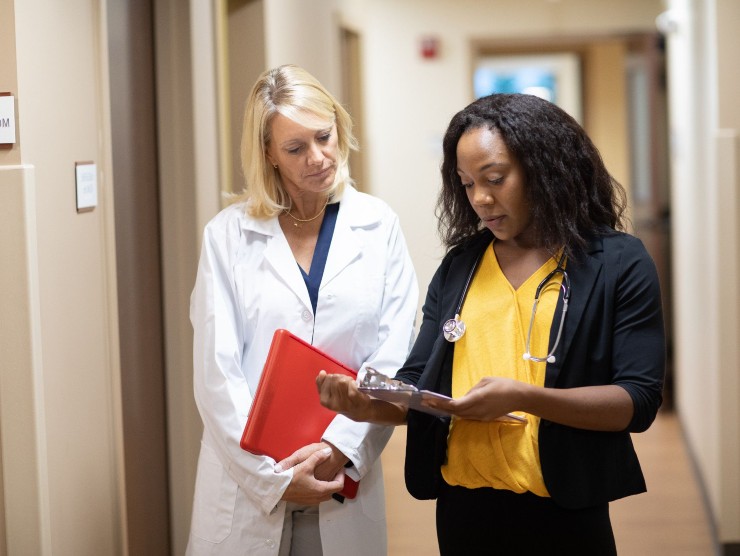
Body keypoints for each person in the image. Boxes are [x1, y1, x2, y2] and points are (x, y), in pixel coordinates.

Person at [317, 93, 666, 555]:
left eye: (495, 179)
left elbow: (637, 400)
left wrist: (525, 397)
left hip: (567, 515)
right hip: (465, 513)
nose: (481, 199)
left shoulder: (616, 263)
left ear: (545, 168)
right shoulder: (461, 267)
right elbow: (419, 384)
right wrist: (366, 405)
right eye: (466, 184)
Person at [186, 64, 418, 556]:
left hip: (342, 481)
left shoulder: (378, 226)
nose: (318, 157)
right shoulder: (227, 236)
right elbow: (215, 372)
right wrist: (271, 478)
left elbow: (394, 354)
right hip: (246, 487)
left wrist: (340, 448)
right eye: (295, 148)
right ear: (268, 153)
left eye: (324, 137)